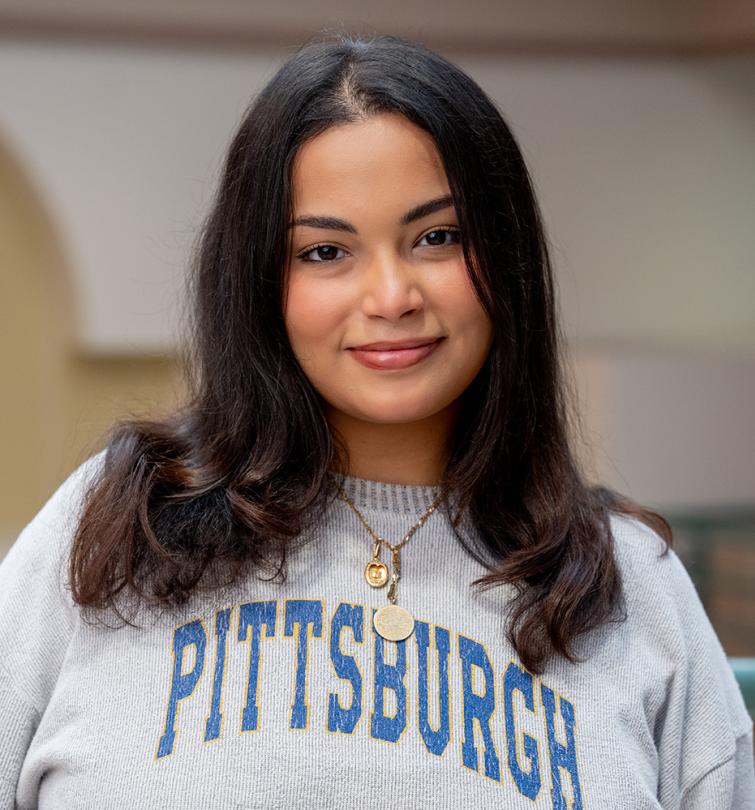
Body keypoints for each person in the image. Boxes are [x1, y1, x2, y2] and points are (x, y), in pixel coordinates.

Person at [0, 32, 752, 810]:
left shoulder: (627, 584)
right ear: (258, 279)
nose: (391, 296)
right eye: (325, 252)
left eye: (437, 237)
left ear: (507, 258)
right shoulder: (119, 528)